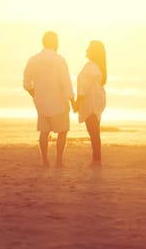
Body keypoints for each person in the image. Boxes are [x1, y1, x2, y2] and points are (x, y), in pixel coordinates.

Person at [23, 31, 75, 168]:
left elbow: (26, 83)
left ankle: (45, 160)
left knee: (44, 132)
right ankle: (59, 161)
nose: (58, 43)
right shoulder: (59, 59)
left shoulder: (33, 59)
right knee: (62, 131)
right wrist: (72, 100)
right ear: (54, 42)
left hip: (41, 102)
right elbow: (66, 82)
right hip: (59, 103)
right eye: (57, 41)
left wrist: (36, 95)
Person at [74, 40, 107, 167]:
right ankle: (96, 159)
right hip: (97, 99)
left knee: (93, 131)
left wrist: (78, 101)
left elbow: (84, 86)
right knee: (94, 130)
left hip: (91, 100)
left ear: (94, 52)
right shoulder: (97, 66)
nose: (86, 50)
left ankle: (96, 160)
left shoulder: (91, 66)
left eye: (88, 48)